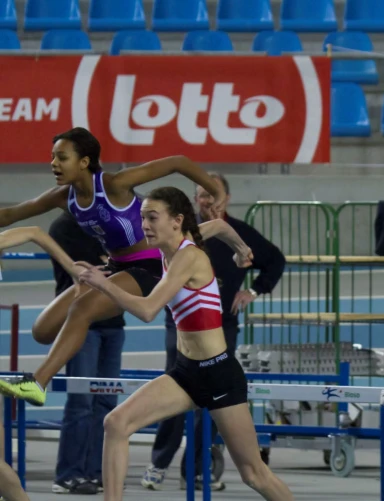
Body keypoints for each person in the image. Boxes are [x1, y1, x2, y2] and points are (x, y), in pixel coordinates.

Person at [0, 127, 250, 407]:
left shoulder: (115, 184)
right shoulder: (63, 197)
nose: (54, 163)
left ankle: (37, 383)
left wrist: (215, 190)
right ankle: (60, 353)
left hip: (150, 266)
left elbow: (179, 161)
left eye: (62, 157)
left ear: (84, 162)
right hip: (117, 266)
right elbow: (10, 214)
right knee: (42, 330)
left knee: (81, 309)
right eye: (52, 157)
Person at [75, 186, 293, 501]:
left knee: (254, 475)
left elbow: (148, 309)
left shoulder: (188, 256)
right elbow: (219, 226)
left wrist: (103, 284)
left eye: (152, 218)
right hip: (186, 373)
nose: (144, 225)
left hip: (219, 374)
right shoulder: (175, 243)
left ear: (176, 221)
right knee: (116, 423)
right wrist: (241, 249)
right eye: (142, 218)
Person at [143, 172, 286, 491]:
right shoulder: (182, 235)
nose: (204, 200)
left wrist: (254, 290)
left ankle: (194, 469)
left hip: (221, 331)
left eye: (211, 195)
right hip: (180, 328)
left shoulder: (236, 230)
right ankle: (159, 463)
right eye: (200, 195)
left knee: (211, 412)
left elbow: (275, 259)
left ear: (225, 199)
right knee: (171, 397)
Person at [49, 212, 125, 495]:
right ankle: (68, 474)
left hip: (114, 324)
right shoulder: (64, 227)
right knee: (81, 401)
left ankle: (98, 471)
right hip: (83, 325)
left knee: (107, 402)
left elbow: (119, 266)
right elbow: (93, 272)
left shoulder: (111, 225)